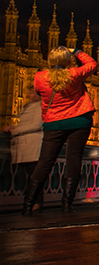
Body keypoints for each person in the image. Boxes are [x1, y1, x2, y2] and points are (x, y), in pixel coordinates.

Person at [24, 46, 97, 215]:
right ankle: (67, 205)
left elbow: (39, 92)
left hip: (54, 123)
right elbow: (92, 64)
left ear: (50, 61)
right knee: (73, 161)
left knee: (44, 163)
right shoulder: (75, 74)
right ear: (69, 61)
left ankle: (28, 205)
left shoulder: (39, 77)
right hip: (79, 121)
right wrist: (77, 51)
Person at [4, 80, 45, 213]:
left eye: (32, 92)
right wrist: (14, 127)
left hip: (33, 144)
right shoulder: (28, 106)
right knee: (27, 175)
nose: (29, 94)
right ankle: (29, 201)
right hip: (24, 144)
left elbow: (36, 124)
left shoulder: (40, 106)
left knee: (33, 175)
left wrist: (15, 130)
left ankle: (35, 202)